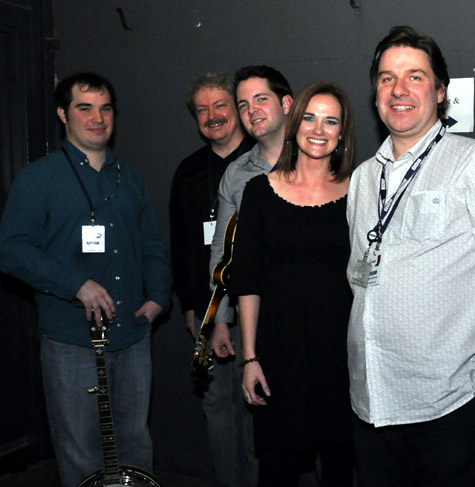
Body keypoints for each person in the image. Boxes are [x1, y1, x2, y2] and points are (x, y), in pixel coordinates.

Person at [346, 25, 475, 487]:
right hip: (370, 401)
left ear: (440, 91)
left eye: (415, 76)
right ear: (375, 94)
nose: (399, 89)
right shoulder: (363, 178)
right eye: (387, 78)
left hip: (449, 407)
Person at [0, 72, 171, 487]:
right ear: (63, 114)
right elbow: (12, 250)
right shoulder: (37, 179)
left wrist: (158, 297)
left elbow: (152, 245)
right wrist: (76, 284)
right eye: (85, 108)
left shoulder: (129, 178)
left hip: (132, 335)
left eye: (105, 108)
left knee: (136, 445)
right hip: (71, 341)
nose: (98, 118)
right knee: (81, 451)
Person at [231, 81, 355, 487]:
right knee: (277, 470)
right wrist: (250, 358)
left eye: (330, 121)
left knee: (340, 468)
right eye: (310, 118)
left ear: (342, 132)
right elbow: (247, 281)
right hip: (278, 355)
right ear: (295, 122)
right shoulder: (259, 192)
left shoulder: (361, 191)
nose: (318, 130)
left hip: (340, 357)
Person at [169, 72, 255, 487]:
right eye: (202, 110)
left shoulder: (264, 161)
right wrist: (189, 305)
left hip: (258, 307)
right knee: (217, 405)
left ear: (237, 109)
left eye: (220, 105)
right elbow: (181, 244)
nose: (212, 115)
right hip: (206, 311)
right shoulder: (188, 171)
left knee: (257, 404)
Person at [208, 65, 293, 346]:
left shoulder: (317, 159)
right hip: (259, 315)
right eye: (243, 104)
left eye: (261, 99)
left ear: (286, 104)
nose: (251, 110)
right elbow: (222, 249)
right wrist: (220, 319)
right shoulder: (236, 174)